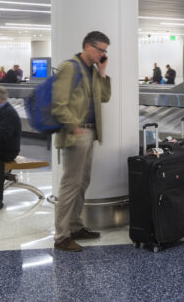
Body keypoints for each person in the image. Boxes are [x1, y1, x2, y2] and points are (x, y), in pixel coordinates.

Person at [52, 31, 112, 252]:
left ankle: (75, 226)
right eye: (100, 50)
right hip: (75, 133)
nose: (103, 54)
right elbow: (58, 102)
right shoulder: (70, 67)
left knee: (82, 182)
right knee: (70, 184)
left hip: (90, 132)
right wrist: (72, 125)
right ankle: (61, 236)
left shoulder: (93, 71)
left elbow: (104, 97)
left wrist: (103, 72)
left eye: (105, 51)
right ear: (87, 46)